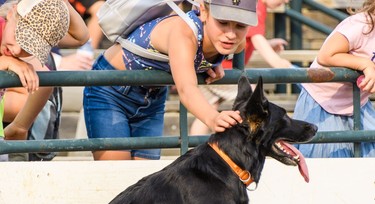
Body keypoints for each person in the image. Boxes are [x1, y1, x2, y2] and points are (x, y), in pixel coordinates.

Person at [83, 0, 258, 161]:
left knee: (145, 182)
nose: (230, 34)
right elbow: (186, 88)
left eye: (241, 26)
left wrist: (212, 62)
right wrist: (213, 118)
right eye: (222, 22)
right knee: (117, 174)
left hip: (153, 98)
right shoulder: (183, 32)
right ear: (203, 12)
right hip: (110, 92)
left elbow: (202, 54)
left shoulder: (235, 42)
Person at [1, 0, 89, 160]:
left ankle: (19, 131)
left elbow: (81, 38)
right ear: (10, 13)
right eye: (17, 36)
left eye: (28, 47)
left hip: (11, 128)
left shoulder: (39, 30)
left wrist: (62, 4)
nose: (16, 50)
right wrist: (8, 62)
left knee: (44, 79)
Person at [190, 0, 292, 135]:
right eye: (223, 22)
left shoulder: (257, 6)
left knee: (210, 109)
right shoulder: (254, 5)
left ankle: (193, 146)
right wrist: (277, 61)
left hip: (214, 65)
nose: (286, 1)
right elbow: (256, 38)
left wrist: (269, 44)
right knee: (254, 95)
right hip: (222, 68)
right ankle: (262, 137)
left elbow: (250, 37)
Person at [293, 0, 375, 158]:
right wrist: (364, 64)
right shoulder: (361, 25)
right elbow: (326, 55)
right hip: (323, 102)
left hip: (357, 104)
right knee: (328, 161)